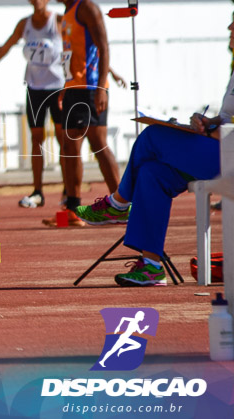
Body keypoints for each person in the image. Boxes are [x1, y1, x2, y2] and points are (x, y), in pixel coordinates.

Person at [71, 15, 234, 286]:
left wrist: (211, 130)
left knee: (153, 136)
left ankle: (119, 203)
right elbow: (227, 119)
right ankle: (151, 266)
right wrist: (207, 121)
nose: (229, 28)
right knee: (151, 174)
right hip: (220, 149)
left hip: (229, 155)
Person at [0, 0, 65, 207]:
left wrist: (105, 71)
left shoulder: (58, 21)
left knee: (63, 140)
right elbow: (5, 47)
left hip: (58, 87)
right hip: (35, 88)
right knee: (36, 139)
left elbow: (77, 47)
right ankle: (38, 191)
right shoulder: (25, 25)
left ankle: (68, 189)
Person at [48, 0, 120, 226]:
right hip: (72, 88)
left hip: (89, 89)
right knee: (69, 147)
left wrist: (101, 87)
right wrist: (63, 88)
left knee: (97, 145)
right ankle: (74, 208)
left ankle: (123, 204)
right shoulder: (65, 14)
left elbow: (103, 47)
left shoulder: (86, 8)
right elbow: (70, 56)